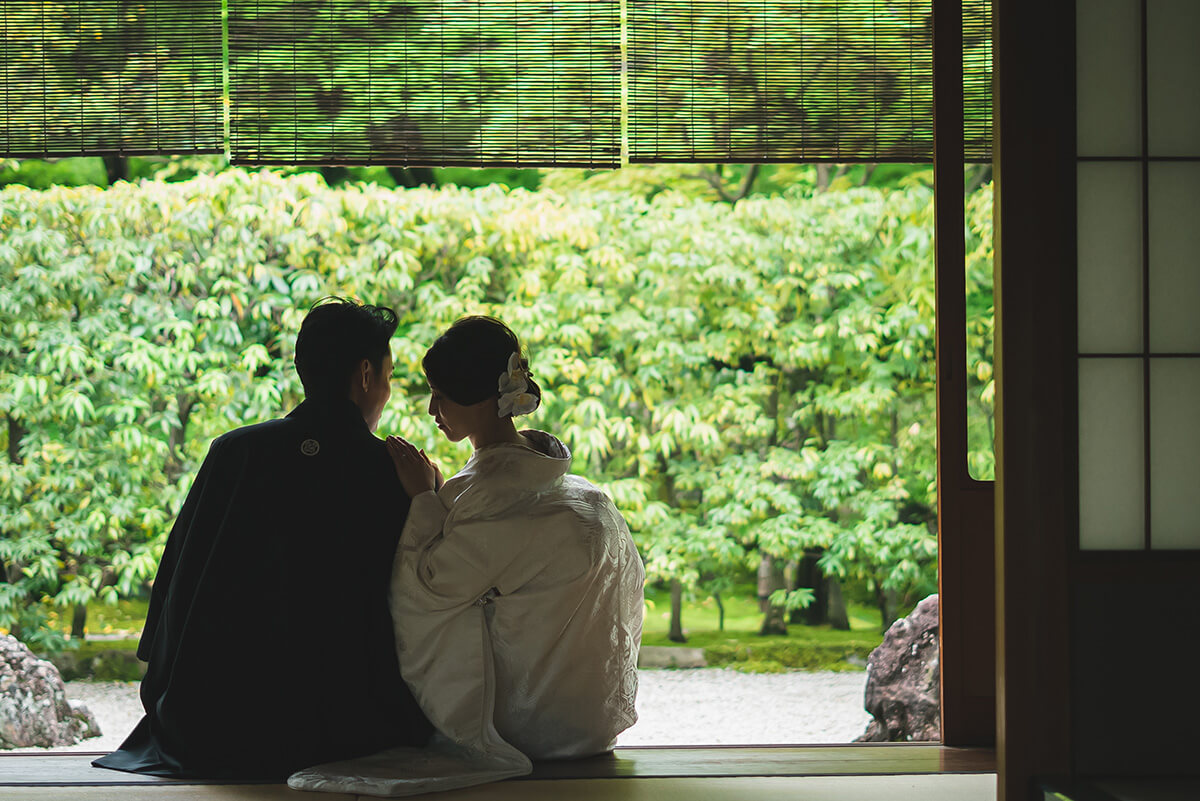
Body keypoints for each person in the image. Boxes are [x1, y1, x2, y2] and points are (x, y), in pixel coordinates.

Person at [288, 316, 643, 796]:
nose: (434, 408)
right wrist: (441, 495)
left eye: (442, 394)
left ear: (478, 397)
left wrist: (423, 499)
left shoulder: (489, 495)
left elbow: (424, 591)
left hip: (527, 728)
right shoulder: (574, 490)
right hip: (589, 722)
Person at [93, 298, 432, 780]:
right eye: (389, 376)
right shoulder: (394, 472)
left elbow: (177, 587)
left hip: (213, 722)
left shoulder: (235, 452)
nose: (386, 389)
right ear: (364, 375)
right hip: (347, 726)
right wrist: (429, 500)